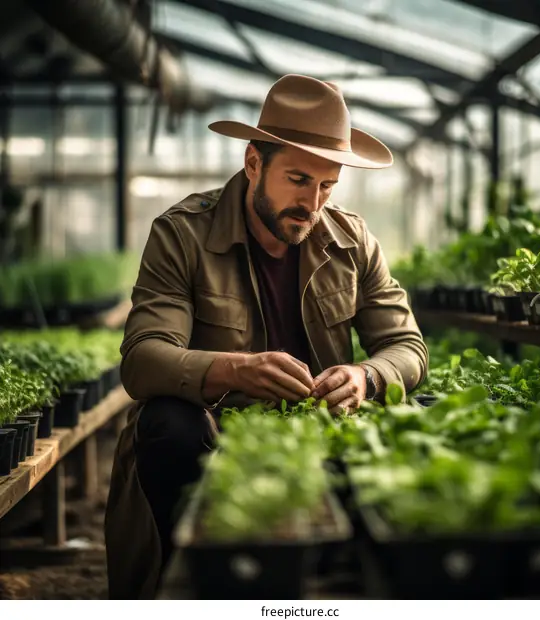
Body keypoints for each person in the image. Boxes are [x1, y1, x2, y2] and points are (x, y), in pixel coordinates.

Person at [104, 74, 428, 599]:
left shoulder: (354, 241)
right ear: (254, 164)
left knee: (418, 421)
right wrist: (233, 369)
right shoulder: (183, 233)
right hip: (220, 432)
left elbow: (408, 348)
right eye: (298, 179)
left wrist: (365, 377)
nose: (313, 202)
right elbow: (142, 360)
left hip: (324, 430)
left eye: (327, 186)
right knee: (166, 424)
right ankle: (186, 585)